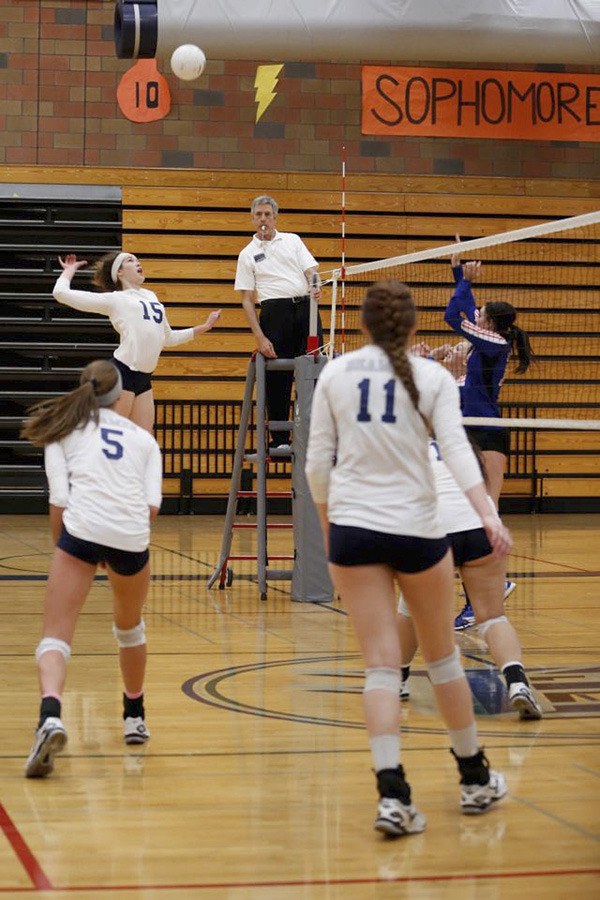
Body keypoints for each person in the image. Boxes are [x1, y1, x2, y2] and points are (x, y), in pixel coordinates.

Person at [305, 279, 510, 838]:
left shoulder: (337, 373)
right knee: (441, 661)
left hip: (353, 530)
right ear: (415, 328)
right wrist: (489, 516)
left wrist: (329, 530)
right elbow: (461, 459)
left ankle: (393, 797)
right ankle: (474, 779)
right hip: (418, 529)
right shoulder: (434, 376)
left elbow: (317, 465)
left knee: (379, 665)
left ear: (365, 325)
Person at [20, 359, 162, 778]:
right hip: (132, 537)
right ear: (121, 398)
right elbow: (150, 508)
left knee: (56, 636)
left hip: (81, 531)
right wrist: (118, 540)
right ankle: (133, 714)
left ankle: (50, 715)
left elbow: (59, 501)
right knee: (129, 628)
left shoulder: (61, 431)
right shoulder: (143, 440)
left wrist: (68, 549)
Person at [398, 437, 542, 720]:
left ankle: (398, 679)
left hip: (436, 529)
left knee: (410, 608)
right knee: (492, 618)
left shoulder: (401, 443)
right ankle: (517, 682)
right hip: (481, 525)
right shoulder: (463, 443)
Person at [445, 243, 534, 625]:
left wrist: (463, 281)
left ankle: (489, 591)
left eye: (482, 316)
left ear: (492, 324)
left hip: (487, 433)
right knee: (470, 513)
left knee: (485, 513)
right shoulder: (485, 345)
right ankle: (487, 590)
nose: (476, 316)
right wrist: (458, 274)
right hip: (472, 432)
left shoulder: (495, 343)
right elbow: (468, 314)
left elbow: (455, 315)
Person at [53, 252, 221, 433]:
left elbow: (168, 338)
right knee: (113, 435)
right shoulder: (116, 299)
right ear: (119, 272)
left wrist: (204, 327)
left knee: (143, 439)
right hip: (123, 372)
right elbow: (60, 293)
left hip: (144, 377)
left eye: (137, 260)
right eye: (130, 260)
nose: (137, 262)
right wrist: (69, 271)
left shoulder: (151, 296)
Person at [235, 195, 322, 449]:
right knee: (278, 379)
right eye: (258, 215)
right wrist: (260, 337)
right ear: (252, 218)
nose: (263, 219)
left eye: (267, 214)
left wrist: (316, 286)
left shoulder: (292, 240)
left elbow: (311, 272)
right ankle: (281, 439)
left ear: (275, 218)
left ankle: (316, 437)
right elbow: (247, 300)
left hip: (305, 308)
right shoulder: (247, 254)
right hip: (275, 313)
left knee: (314, 371)